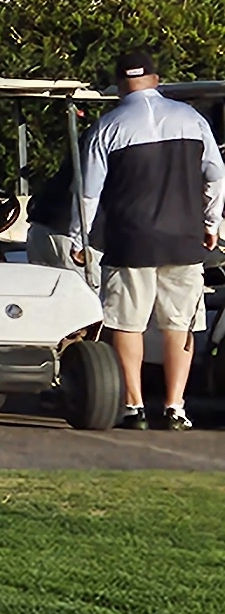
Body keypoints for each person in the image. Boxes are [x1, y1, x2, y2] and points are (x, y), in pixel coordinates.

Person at [75, 47, 225, 429]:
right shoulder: (192, 119)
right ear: (156, 80)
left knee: (127, 323)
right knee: (180, 324)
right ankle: (175, 407)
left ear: (119, 86)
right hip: (184, 238)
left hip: (130, 241)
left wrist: (79, 239)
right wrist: (211, 223)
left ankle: (134, 406)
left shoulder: (107, 126)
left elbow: (88, 193)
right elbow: (216, 174)